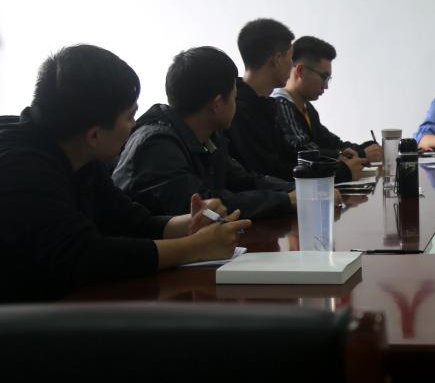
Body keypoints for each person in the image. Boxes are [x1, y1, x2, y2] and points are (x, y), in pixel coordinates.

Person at [0, 45, 248, 301]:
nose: (134, 125)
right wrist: (195, 247)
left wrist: (189, 224)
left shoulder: (79, 150)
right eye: (130, 116)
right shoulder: (19, 167)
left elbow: (127, 221)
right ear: (94, 135)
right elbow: (84, 257)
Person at [114, 46, 300, 218]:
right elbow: (204, 207)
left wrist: (298, 191)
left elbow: (245, 180)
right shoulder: (157, 145)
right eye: (234, 97)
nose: (236, 104)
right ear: (217, 104)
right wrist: (285, 201)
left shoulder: (208, 138)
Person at [270, 36, 380, 179]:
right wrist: (360, 154)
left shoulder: (307, 108)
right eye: (324, 77)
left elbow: (330, 143)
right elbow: (304, 151)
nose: (326, 86)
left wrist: (365, 148)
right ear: (300, 70)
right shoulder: (280, 104)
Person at [227, 18, 299, 181]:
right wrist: (339, 170)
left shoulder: (267, 105)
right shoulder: (237, 110)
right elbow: (269, 172)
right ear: (277, 59)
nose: (292, 65)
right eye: (291, 58)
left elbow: (290, 157)